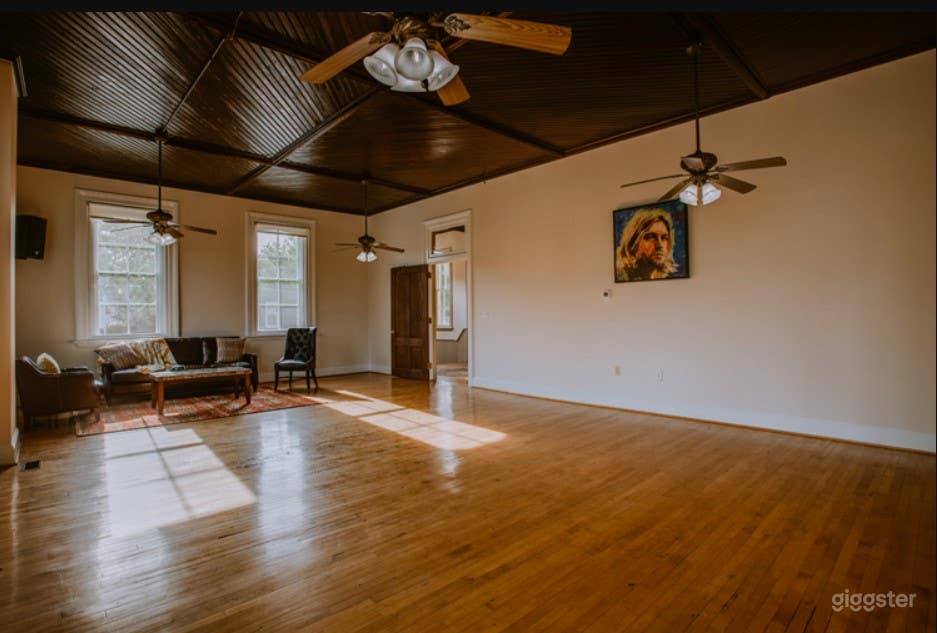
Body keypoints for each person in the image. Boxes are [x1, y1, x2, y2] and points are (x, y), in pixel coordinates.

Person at [616, 208, 679, 281]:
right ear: (633, 243)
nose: (660, 245)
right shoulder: (621, 276)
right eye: (651, 237)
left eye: (664, 238)